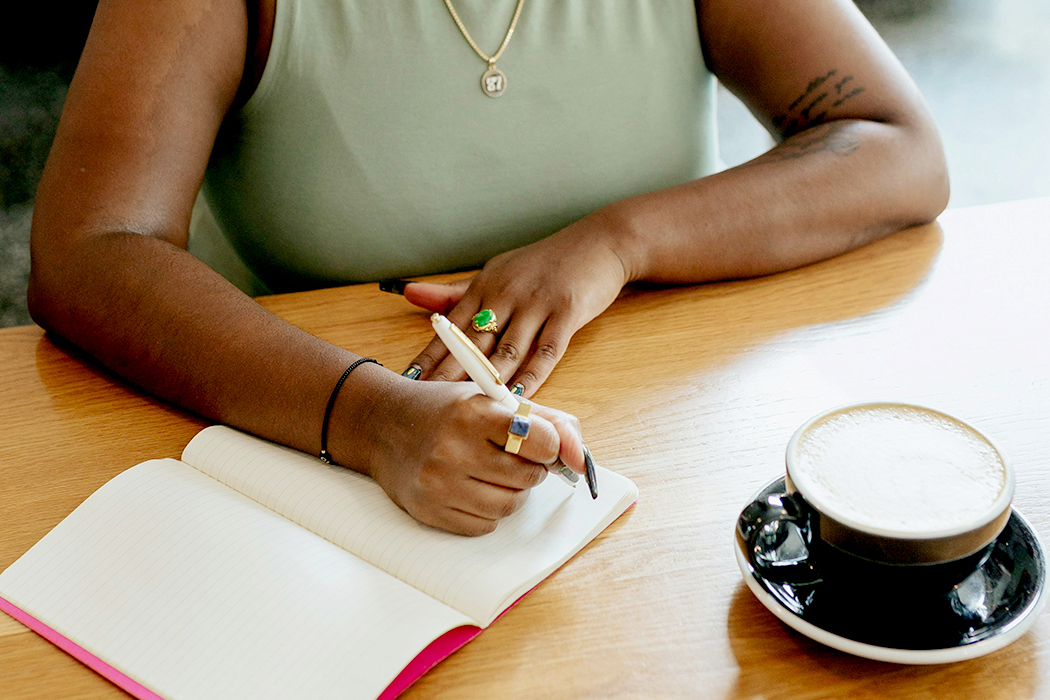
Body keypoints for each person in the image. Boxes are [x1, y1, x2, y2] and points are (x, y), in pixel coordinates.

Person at [26, 0, 949, 535]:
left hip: (645, 470)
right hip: (292, 442)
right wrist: (370, 417)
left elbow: (897, 148)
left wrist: (618, 242)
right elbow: (90, 250)